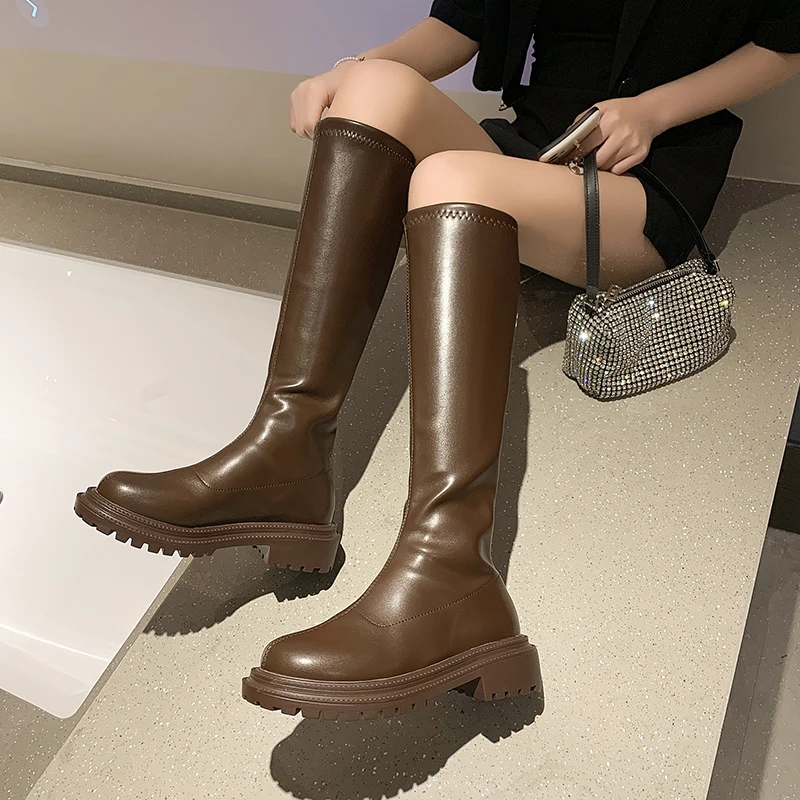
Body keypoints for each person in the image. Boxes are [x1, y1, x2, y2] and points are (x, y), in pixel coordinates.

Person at [75, 1, 800, 719]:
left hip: (638, 180)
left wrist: (652, 111)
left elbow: (785, 39)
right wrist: (345, 72)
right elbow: (462, 22)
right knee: (372, 84)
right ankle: (287, 448)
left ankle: (453, 571)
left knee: (451, 179)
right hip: (533, 148)